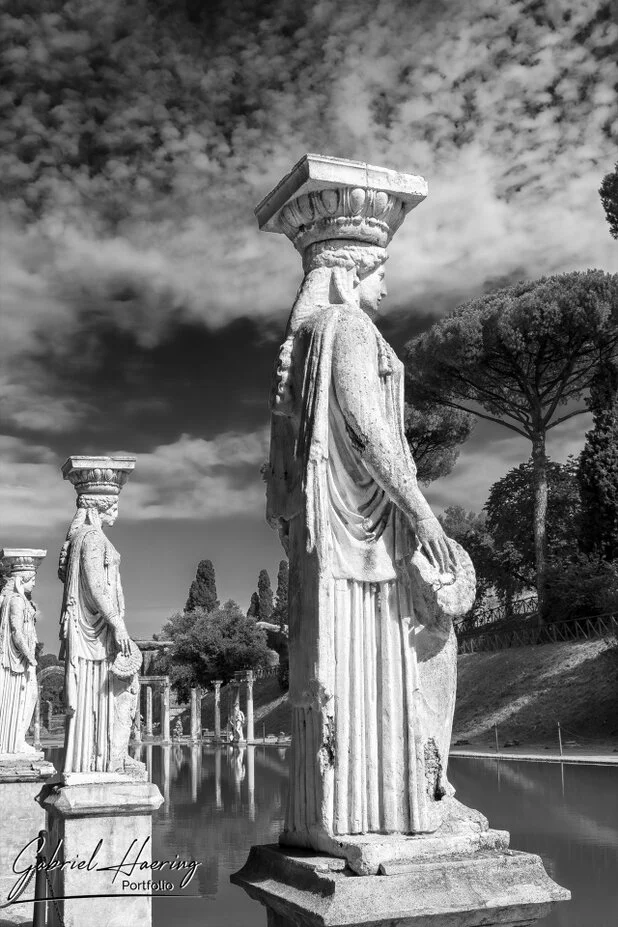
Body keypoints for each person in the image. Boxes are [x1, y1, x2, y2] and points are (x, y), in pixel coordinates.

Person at [267, 231, 475, 851]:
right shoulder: (350, 329)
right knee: (435, 642)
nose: (386, 286)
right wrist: (425, 514)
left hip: (338, 535)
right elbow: (366, 429)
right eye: (381, 272)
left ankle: (363, 804)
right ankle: (410, 797)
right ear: (350, 271)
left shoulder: (311, 339)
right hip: (369, 533)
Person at [58, 460, 141, 774]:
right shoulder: (92, 538)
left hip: (96, 630)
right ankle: (110, 758)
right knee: (124, 688)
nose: (116, 512)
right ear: (99, 506)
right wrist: (118, 623)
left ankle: (108, 755)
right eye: (114, 505)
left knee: (112, 691)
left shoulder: (81, 537)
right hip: (99, 631)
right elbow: (94, 586)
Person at [0, 550, 46, 754]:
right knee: (25, 698)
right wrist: (30, 656)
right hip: (19, 661)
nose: (34, 583)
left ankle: (17, 739)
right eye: (32, 579)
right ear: (21, 579)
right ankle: (16, 741)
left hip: (23, 661)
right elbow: (16, 631)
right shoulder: (16, 601)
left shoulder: (19, 600)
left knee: (29, 696)